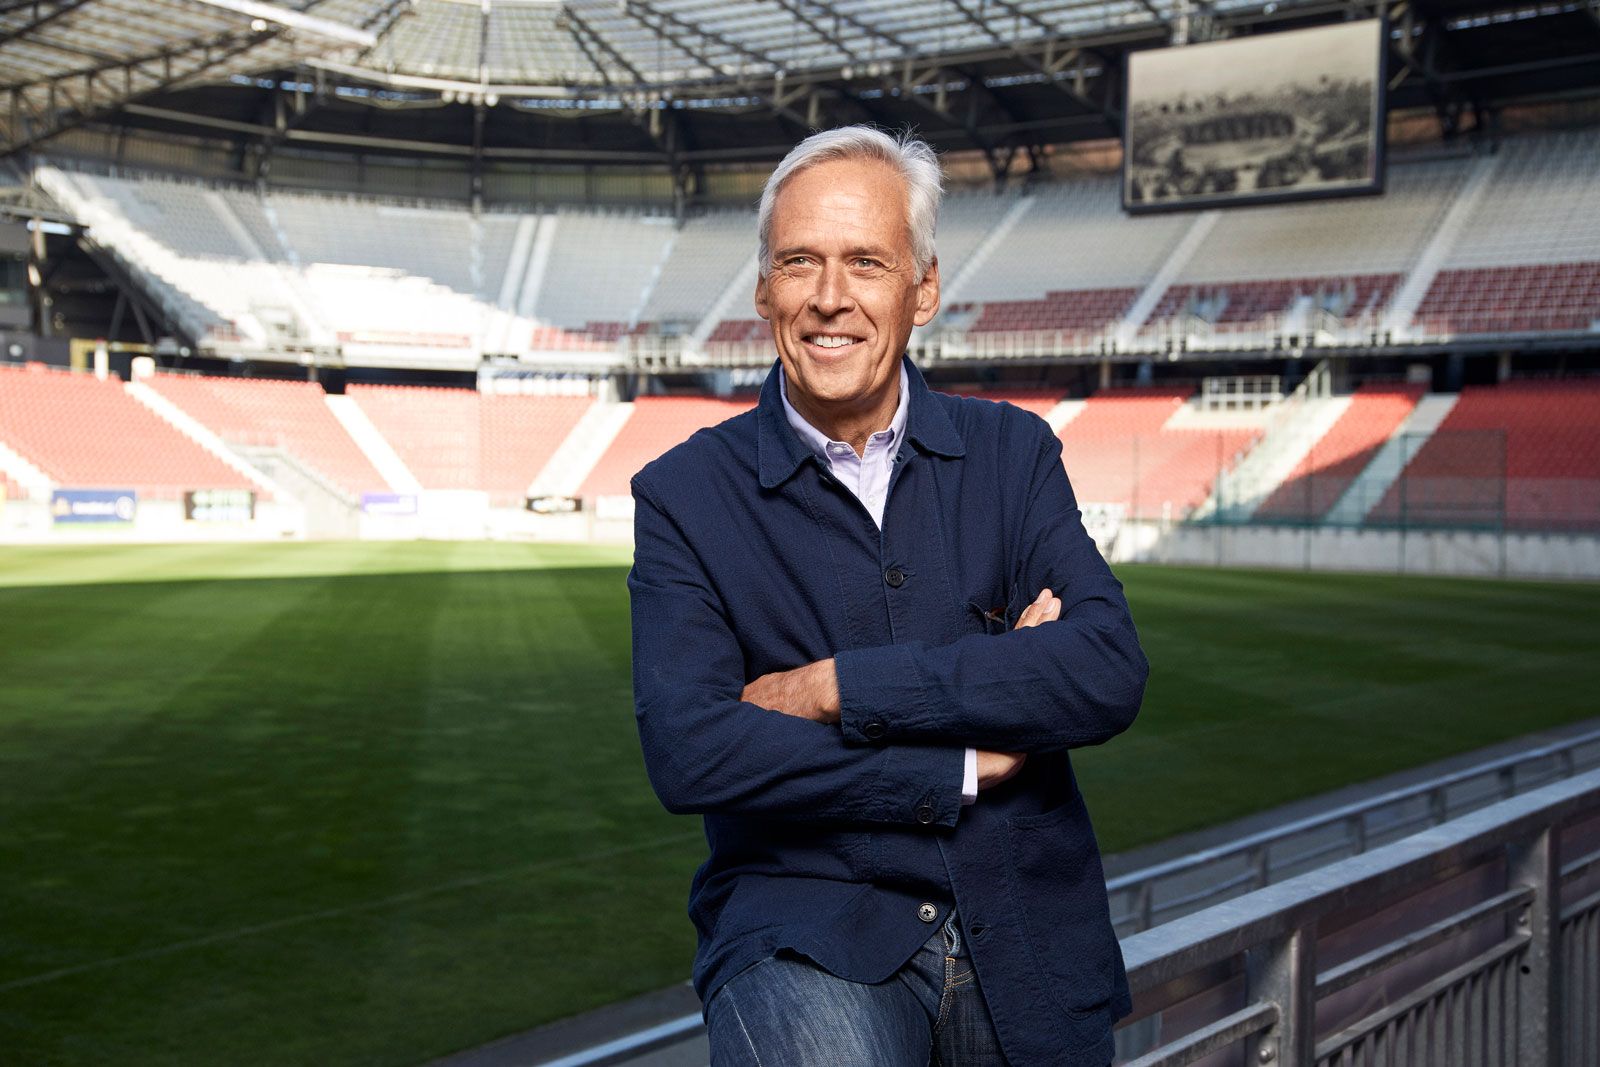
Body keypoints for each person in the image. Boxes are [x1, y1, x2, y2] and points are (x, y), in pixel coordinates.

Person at [627, 125, 1148, 1066]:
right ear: (761, 288)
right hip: (806, 931)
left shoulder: (1014, 454)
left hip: (1026, 934)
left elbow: (1104, 669)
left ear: (924, 288)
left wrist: (837, 689)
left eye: (867, 261)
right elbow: (691, 748)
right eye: (799, 262)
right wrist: (957, 760)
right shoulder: (682, 495)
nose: (830, 297)